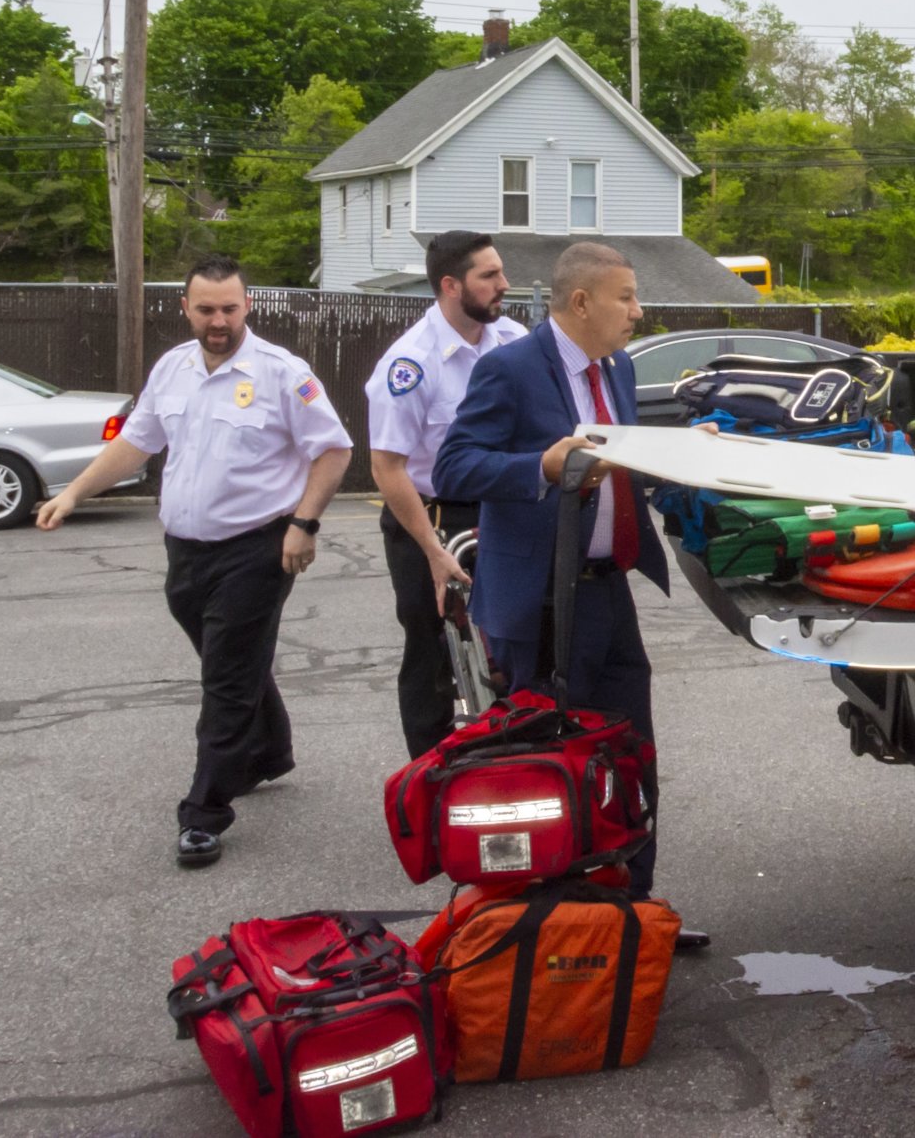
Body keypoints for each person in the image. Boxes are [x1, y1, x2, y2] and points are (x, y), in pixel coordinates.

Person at [36, 256, 354, 868]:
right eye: (206, 309)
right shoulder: (172, 369)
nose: (218, 321)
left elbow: (335, 451)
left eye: (229, 308)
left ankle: (205, 812)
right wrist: (74, 492)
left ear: (248, 305)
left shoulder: (283, 374)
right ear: (185, 307)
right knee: (231, 659)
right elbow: (136, 443)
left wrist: (303, 524)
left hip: (257, 548)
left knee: (226, 679)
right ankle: (269, 752)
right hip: (184, 552)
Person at [432, 241, 705, 953]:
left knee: (631, 754)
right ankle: (556, 924)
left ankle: (633, 913)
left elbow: (620, 455)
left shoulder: (615, 366)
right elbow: (455, 463)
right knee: (554, 766)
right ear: (580, 302)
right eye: (627, 298)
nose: (638, 312)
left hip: (609, 593)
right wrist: (540, 464)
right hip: (540, 603)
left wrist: (683, 453)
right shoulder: (511, 369)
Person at [364, 230, 526, 758]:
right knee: (432, 656)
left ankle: (510, 763)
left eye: (501, 272)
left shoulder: (513, 342)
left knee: (514, 644)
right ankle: (432, 778)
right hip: (428, 521)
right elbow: (387, 468)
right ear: (452, 286)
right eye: (490, 276)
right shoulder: (409, 363)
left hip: (502, 513)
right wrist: (434, 553)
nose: (504, 285)